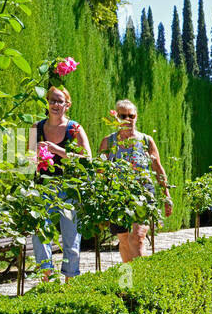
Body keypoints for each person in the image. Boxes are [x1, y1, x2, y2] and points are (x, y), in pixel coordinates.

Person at [28, 85, 92, 281]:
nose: (55, 104)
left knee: (71, 239)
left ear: (67, 105)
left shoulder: (74, 129)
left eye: (59, 101)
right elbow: (27, 161)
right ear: (46, 103)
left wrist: (58, 150)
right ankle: (47, 277)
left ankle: (69, 282)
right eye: (52, 100)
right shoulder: (35, 128)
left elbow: (88, 159)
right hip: (42, 189)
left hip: (69, 189)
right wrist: (35, 158)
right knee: (39, 233)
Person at [99, 99, 173, 263]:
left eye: (131, 115)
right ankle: (128, 281)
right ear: (116, 117)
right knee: (124, 239)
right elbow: (100, 171)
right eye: (122, 115)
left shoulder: (146, 141)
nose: (127, 119)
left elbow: (158, 169)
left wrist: (166, 195)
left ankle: (141, 279)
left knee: (138, 236)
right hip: (117, 194)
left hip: (143, 192)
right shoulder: (109, 142)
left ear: (136, 117)